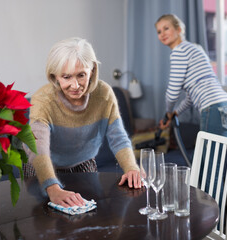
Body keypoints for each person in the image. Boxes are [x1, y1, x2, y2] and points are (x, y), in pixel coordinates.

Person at [24, 37, 141, 208]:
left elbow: (118, 137)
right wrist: (52, 187)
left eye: (81, 75)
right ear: (54, 76)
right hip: (42, 168)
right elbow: (37, 145)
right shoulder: (43, 100)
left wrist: (132, 168)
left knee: (90, 216)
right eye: (66, 77)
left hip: (83, 164)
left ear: (92, 70)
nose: (75, 85)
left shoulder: (104, 94)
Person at [155, 14, 227, 137]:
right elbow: (191, 97)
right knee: (215, 154)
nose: (162, 33)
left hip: (213, 107)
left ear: (179, 30)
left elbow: (172, 93)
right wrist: (175, 113)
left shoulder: (178, 52)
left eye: (166, 28)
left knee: (207, 155)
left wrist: (168, 112)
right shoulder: (195, 48)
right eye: (159, 31)